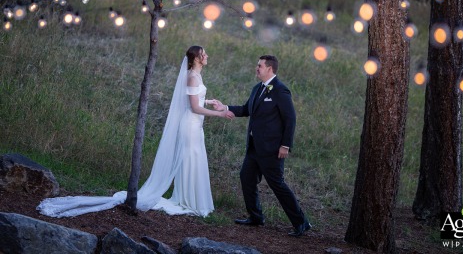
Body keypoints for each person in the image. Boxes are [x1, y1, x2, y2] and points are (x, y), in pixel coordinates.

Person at [37, 45, 233, 218]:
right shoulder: (191, 77)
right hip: (190, 124)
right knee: (191, 158)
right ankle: (190, 201)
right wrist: (219, 115)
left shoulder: (197, 76)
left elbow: (195, 101)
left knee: (194, 158)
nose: (207, 56)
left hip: (195, 125)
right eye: (204, 54)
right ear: (197, 58)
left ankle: (193, 199)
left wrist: (210, 101)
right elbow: (193, 108)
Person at [213, 55, 311, 237]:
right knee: (246, 178)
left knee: (277, 185)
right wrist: (225, 108)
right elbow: (246, 109)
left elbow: (290, 120)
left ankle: (301, 222)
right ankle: (256, 217)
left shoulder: (281, 91)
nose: (256, 68)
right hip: (254, 148)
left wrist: (285, 145)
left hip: (272, 149)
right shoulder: (257, 88)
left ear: (270, 69)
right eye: (257, 65)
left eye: (259, 66)